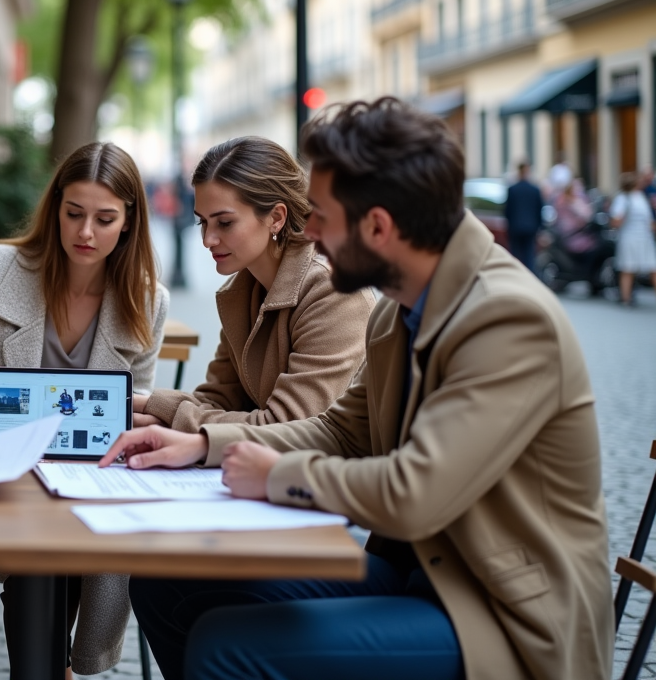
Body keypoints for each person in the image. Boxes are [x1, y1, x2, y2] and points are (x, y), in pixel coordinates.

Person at [103, 97, 613, 680]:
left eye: (319, 214)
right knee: (168, 580)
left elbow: (417, 492)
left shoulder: (507, 318)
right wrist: (202, 446)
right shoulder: (398, 312)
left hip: (502, 612)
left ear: (378, 226)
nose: (307, 230)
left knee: (229, 645)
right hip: (413, 572)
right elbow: (343, 429)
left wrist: (274, 474)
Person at [0, 141, 170, 677]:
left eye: (104, 218)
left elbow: (135, 406)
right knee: (17, 571)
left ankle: (51, 665)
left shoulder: (147, 299)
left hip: (86, 482)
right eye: (73, 213)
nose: (85, 232)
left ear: (129, 222)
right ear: (55, 209)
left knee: (56, 561)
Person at [133, 136, 374, 433]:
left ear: (276, 217)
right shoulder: (244, 289)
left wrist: (163, 410)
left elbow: (287, 425)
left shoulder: (334, 291)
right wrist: (156, 414)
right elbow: (218, 399)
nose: (208, 239)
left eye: (224, 223)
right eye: (202, 222)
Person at [610, 171, 656, 307]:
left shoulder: (640, 197)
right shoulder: (624, 198)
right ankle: (626, 298)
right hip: (630, 237)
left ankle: (626, 297)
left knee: (649, 268)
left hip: (643, 237)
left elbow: (649, 220)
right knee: (628, 269)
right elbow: (615, 221)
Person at [504, 159, 544, 274]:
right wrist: (539, 227)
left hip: (516, 227)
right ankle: (529, 278)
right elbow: (539, 210)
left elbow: (507, 211)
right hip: (530, 227)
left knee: (516, 256)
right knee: (529, 256)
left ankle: (516, 276)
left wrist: (509, 226)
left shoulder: (512, 189)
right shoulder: (534, 190)